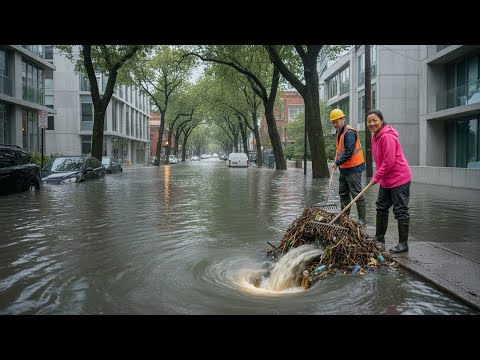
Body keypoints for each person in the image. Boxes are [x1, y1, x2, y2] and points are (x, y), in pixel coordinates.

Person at [366, 109, 412, 253]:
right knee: (381, 207)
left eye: (375, 120)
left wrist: (376, 177)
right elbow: (380, 160)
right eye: (369, 121)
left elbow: (389, 161)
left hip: (399, 178)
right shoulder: (375, 137)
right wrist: (380, 177)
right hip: (386, 179)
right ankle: (379, 239)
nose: (372, 123)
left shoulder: (387, 137)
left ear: (381, 120)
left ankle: (403, 244)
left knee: (400, 210)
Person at [330, 109, 367, 226]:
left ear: (343, 119)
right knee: (343, 193)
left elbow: (349, 152)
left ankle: (362, 221)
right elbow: (340, 150)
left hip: (354, 167)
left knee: (356, 193)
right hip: (344, 168)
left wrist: (337, 163)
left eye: (337, 121)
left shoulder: (349, 132)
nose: (335, 124)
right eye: (333, 122)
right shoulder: (339, 132)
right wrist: (337, 161)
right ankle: (344, 218)